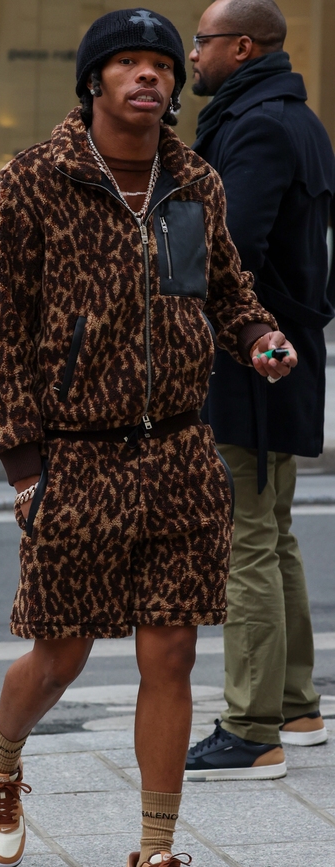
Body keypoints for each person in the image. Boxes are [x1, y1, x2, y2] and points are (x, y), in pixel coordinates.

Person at [0, 8, 297, 867]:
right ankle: (2, 758)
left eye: (161, 62)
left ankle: (155, 847)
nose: (149, 74)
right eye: (128, 62)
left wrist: (260, 337)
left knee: (175, 650)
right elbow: (1, 328)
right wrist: (22, 463)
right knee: (60, 655)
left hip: (181, 452)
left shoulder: (195, 181)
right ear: (95, 81)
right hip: (76, 455)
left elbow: (226, 289)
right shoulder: (34, 180)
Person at [184, 0, 335, 782]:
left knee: (246, 537)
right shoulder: (291, 117)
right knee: (271, 534)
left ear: (241, 47)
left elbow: (225, 250)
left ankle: (250, 729)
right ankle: (298, 705)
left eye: (201, 42)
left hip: (253, 357)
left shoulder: (259, 126)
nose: (192, 56)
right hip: (283, 351)